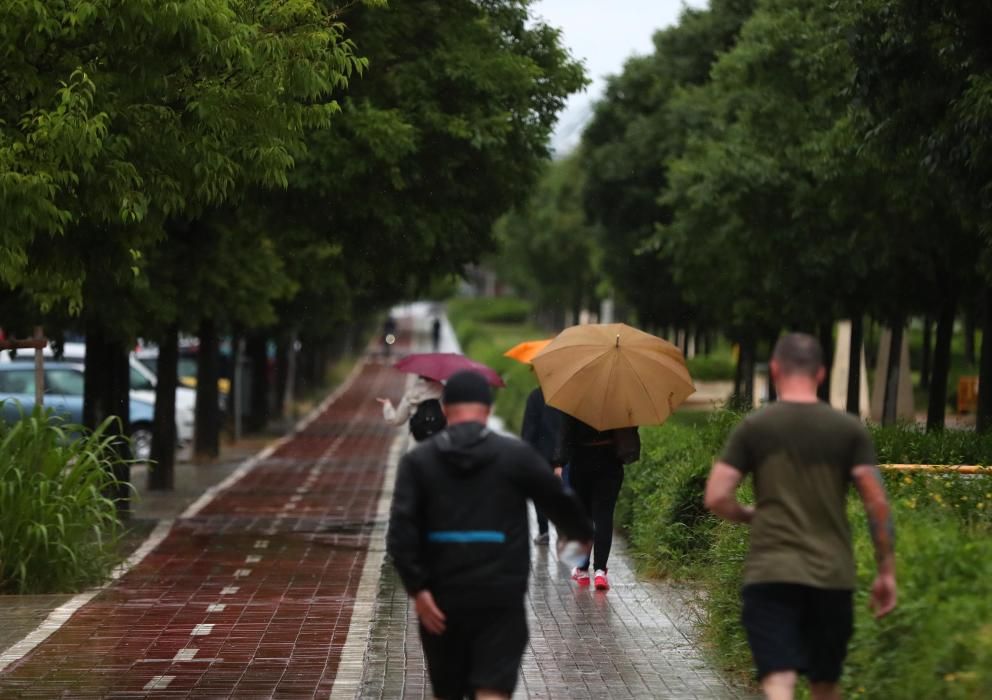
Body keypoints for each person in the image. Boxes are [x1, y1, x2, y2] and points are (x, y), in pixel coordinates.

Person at [704, 333, 897, 700]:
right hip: (832, 575)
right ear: (821, 374)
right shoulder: (849, 430)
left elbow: (716, 496)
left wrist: (748, 515)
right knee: (826, 684)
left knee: (779, 679)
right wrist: (886, 570)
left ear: (775, 370)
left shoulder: (755, 427)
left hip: (771, 572)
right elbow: (877, 502)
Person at [387, 370, 593, 700]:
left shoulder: (418, 462)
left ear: (444, 410)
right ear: (488, 410)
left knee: (449, 690)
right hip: (500, 597)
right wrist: (579, 537)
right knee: (493, 689)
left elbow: (400, 533)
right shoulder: (515, 457)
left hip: (441, 598)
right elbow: (561, 500)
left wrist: (418, 590)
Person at [552, 416, 638, 591]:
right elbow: (631, 431)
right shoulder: (620, 403)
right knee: (604, 516)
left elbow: (565, 434)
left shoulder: (577, 403)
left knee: (584, 516)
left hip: (581, 463)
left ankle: (582, 569)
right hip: (610, 463)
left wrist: (559, 462)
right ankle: (600, 571)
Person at [520, 385, 561, 544]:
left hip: (539, 453)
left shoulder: (535, 396)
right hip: (563, 453)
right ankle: (562, 528)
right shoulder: (566, 396)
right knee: (561, 492)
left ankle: (544, 531)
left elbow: (528, 428)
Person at [377, 375, 446, 441]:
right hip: (440, 440)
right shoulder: (446, 391)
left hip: (417, 440)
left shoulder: (411, 394)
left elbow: (397, 420)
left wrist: (387, 405)